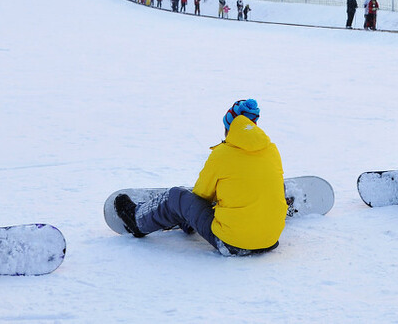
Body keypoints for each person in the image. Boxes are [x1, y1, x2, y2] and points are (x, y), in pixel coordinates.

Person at [113, 100, 286, 256]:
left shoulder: (222, 155)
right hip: (270, 241)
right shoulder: (272, 150)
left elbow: (201, 194)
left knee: (176, 197)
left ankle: (137, 220)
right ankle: (270, 214)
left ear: (229, 128)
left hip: (232, 243)